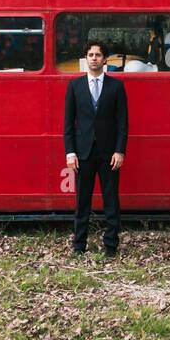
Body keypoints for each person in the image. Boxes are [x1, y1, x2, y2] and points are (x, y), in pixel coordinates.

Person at [64, 41, 129, 256]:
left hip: (109, 153)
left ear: (105, 60)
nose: (94, 58)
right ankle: (79, 245)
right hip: (82, 154)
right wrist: (70, 152)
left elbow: (122, 122)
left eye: (98, 55)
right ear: (86, 58)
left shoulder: (116, 86)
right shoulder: (74, 86)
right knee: (82, 201)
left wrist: (120, 150)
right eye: (90, 54)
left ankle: (111, 246)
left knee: (111, 200)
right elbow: (68, 124)